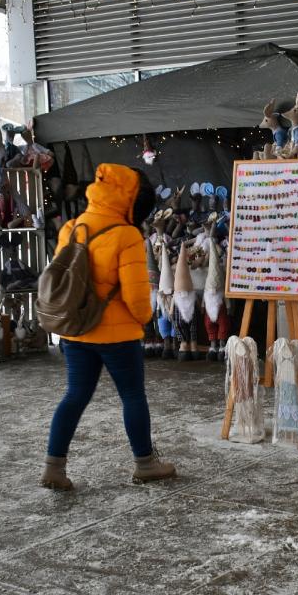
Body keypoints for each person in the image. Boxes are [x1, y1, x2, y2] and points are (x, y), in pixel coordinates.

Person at [40, 163, 176, 489]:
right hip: (118, 336)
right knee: (132, 396)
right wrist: (144, 318)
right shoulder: (126, 235)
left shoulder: (72, 228)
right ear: (130, 198)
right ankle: (145, 464)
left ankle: (53, 468)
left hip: (76, 330)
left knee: (74, 396)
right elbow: (136, 298)